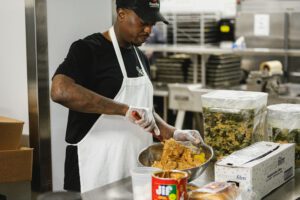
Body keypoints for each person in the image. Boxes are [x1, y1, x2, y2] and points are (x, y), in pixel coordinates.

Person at [51, 0, 202, 193]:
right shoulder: (88, 49)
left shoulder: (140, 57)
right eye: (143, 22)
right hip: (94, 169)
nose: (149, 30)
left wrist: (173, 134)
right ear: (121, 14)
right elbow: (60, 91)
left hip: (133, 170)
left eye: (153, 24)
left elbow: (144, 112)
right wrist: (124, 110)